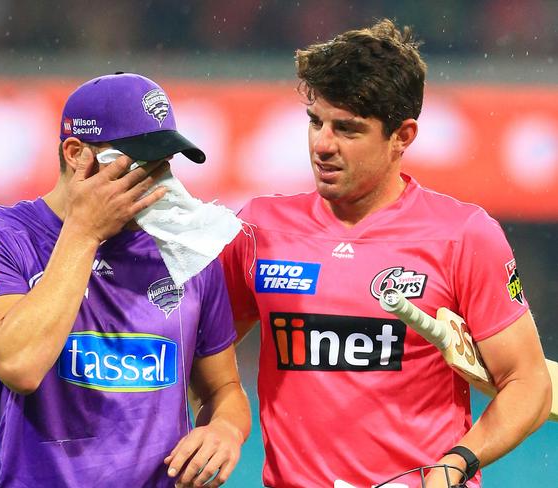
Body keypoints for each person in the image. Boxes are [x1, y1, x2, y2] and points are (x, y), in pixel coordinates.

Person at [219, 19, 552, 488]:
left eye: (348, 129)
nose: (322, 145)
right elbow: (200, 350)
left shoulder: (463, 235)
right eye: (315, 122)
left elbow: (529, 384)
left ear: (403, 135)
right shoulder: (258, 228)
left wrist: (456, 463)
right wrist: (223, 421)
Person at [0, 72, 250, 488]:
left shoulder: (187, 253)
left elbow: (224, 389)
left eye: (165, 163)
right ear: (76, 153)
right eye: (140, 163)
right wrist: (85, 232)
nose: (158, 180)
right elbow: (18, 363)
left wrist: (225, 431)